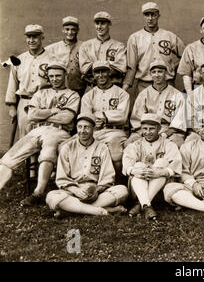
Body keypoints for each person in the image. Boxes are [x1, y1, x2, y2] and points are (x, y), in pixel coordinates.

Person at [0, 63, 79, 205]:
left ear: (65, 76)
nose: (55, 79)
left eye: (58, 76)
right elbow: (31, 115)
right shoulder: (40, 93)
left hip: (59, 131)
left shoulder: (72, 95)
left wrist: (41, 114)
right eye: (52, 76)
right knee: (9, 158)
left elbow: (66, 118)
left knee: (48, 152)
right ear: (48, 77)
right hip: (37, 130)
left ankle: (38, 193)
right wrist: (53, 111)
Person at [46, 113, 128, 217]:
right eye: (79, 127)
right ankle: (101, 211)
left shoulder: (102, 148)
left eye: (86, 127)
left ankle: (70, 211)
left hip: (96, 191)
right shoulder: (67, 147)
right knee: (51, 196)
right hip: (73, 191)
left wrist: (96, 190)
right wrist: (76, 190)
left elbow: (107, 177)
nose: (82, 131)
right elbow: (62, 179)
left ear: (93, 129)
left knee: (122, 190)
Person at [122, 113, 182, 220]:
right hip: (138, 186)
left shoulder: (168, 144)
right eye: (145, 129)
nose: (148, 132)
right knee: (138, 165)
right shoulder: (136, 144)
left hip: (160, 187)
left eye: (152, 129)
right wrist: (136, 171)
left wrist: (160, 172)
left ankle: (141, 204)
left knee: (162, 162)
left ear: (159, 128)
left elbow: (175, 164)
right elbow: (127, 165)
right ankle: (147, 205)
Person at [80, 61, 130, 180]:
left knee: (115, 150)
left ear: (109, 72)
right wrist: (93, 121)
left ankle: (118, 181)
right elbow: (86, 116)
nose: (100, 75)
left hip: (115, 131)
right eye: (97, 72)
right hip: (95, 131)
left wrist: (103, 116)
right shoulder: (88, 95)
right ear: (93, 75)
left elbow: (122, 116)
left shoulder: (122, 93)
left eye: (103, 71)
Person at [124, 2, 185, 96]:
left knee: (169, 110)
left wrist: (173, 67)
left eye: (153, 15)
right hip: (144, 84)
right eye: (147, 15)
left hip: (167, 83)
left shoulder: (169, 36)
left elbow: (186, 56)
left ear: (158, 16)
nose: (150, 18)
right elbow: (131, 67)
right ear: (143, 16)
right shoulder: (135, 38)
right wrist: (124, 89)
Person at [5, 24, 53, 139]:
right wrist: (12, 107)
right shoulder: (19, 59)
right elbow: (13, 84)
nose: (31, 40)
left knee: (42, 137)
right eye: (29, 37)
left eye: (35, 37)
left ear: (42, 37)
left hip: (43, 103)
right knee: (24, 138)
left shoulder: (52, 58)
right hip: (24, 102)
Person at [127, 60, 186, 148]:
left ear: (166, 73)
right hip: (147, 129)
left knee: (178, 144)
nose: (157, 75)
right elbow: (137, 119)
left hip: (168, 129)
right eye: (154, 72)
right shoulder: (144, 93)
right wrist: (146, 132)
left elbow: (179, 120)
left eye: (160, 72)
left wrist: (166, 133)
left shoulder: (176, 94)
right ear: (150, 74)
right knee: (129, 144)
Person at [79, 12, 127, 86]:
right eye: (97, 23)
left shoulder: (119, 46)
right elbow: (84, 68)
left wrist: (95, 66)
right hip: (92, 86)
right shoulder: (85, 45)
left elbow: (120, 68)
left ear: (109, 24)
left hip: (114, 86)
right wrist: (107, 67)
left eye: (103, 23)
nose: (99, 27)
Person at [45, 16, 86, 97]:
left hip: (80, 89)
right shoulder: (52, 49)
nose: (70, 32)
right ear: (63, 30)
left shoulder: (85, 46)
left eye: (73, 29)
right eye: (67, 29)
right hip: (58, 91)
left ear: (78, 30)